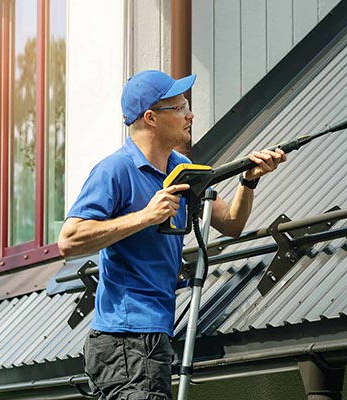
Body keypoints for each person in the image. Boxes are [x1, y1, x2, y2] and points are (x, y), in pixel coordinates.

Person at [58, 70, 286, 400]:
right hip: (125, 339)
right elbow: (70, 240)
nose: (190, 114)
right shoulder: (115, 170)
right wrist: (146, 216)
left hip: (154, 334)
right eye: (179, 108)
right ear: (151, 118)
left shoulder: (180, 167)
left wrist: (248, 181)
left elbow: (232, 224)